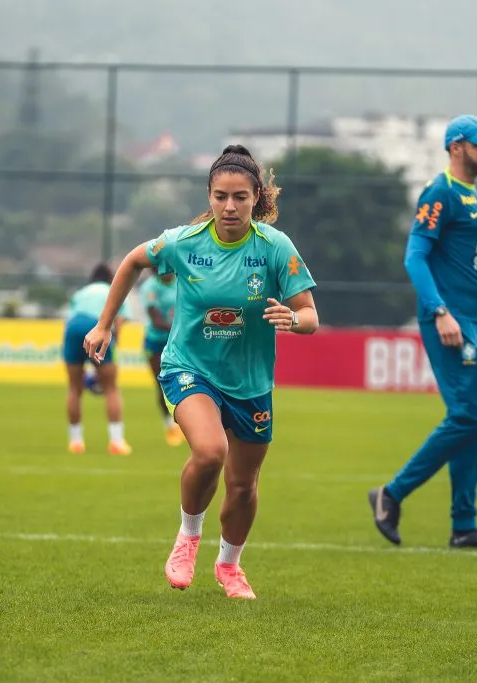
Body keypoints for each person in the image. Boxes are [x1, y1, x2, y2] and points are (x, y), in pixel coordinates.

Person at [83, 144, 318, 599]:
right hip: (188, 367)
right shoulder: (183, 243)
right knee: (211, 451)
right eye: (220, 196)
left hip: (251, 382)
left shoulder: (275, 249)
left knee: (243, 484)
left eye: (240, 197)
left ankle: (229, 566)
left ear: (257, 199)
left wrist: (293, 320)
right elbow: (132, 261)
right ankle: (188, 536)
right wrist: (104, 323)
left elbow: (309, 313)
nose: (229, 206)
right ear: (209, 197)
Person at [368, 114, 477, 551]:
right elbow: (415, 256)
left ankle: (464, 526)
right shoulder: (441, 192)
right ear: (456, 147)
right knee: (467, 416)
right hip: (452, 321)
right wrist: (439, 311)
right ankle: (391, 495)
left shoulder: (475, 198)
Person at [62, 263, 133, 455]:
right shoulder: (114, 290)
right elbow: (118, 322)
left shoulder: (81, 293)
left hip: (73, 329)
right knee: (110, 388)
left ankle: (76, 442)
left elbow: (71, 318)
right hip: (97, 325)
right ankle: (116, 442)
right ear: (111, 277)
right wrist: (111, 349)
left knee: (75, 388)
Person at [139, 271, 185, 446]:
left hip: (179, 342)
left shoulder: (182, 281)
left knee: (187, 382)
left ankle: (188, 425)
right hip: (156, 342)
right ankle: (171, 427)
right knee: (162, 385)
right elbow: (156, 320)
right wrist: (183, 329)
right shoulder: (150, 287)